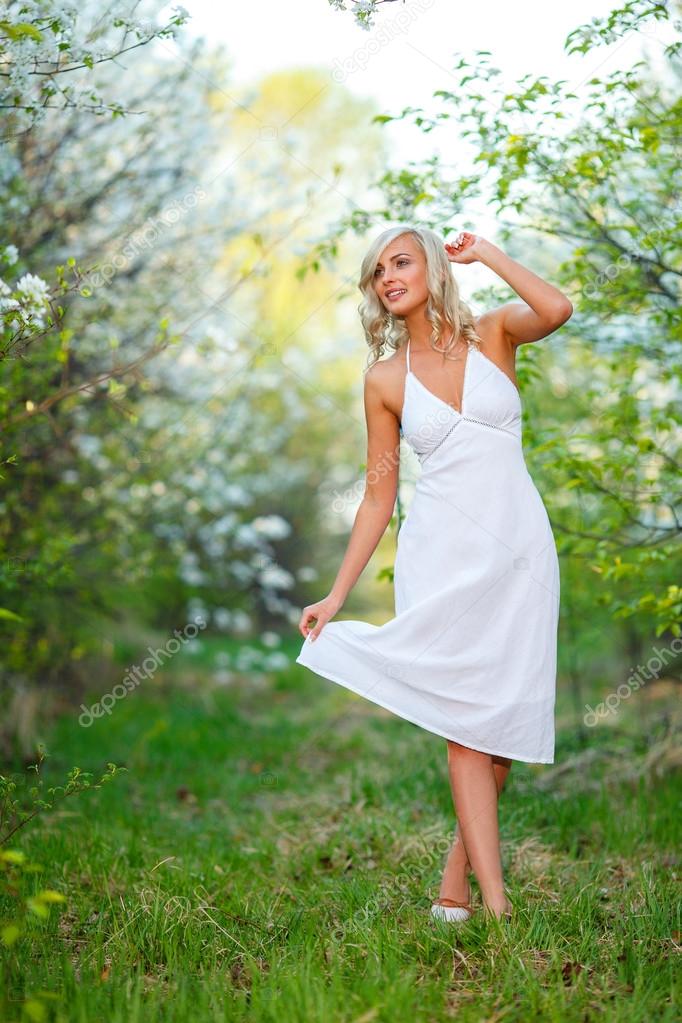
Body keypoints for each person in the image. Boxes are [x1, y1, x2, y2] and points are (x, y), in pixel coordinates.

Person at [296, 224, 572, 923]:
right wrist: (336, 592)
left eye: (400, 261)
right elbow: (379, 496)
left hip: (520, 550)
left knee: (503, 716)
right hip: (443, 555)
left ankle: (456, 880)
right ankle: (500, 908)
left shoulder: (493, 334)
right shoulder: (385, 380)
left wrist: (487, 255)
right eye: (376, 272)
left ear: (431, 267)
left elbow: (559, 308)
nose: (387, 276)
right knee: (465, 722)